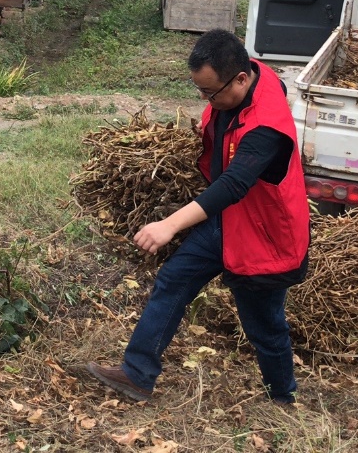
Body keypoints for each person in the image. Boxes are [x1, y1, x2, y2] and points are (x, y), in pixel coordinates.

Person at [86, 29, 309, 404]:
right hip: (227, 222)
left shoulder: (266, 125)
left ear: (240, 79)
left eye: (210, 93)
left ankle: (283, 398)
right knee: (173, 279)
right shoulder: (250, 74)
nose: (204, 99)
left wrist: (169, 224)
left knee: (264, 326)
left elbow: (235, 184)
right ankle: (137, 374)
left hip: (264, 235)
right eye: (199, 90)